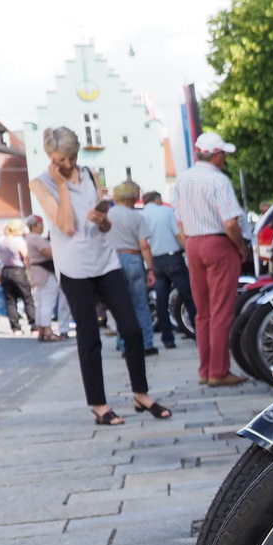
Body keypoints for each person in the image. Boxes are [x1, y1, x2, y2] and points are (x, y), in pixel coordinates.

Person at [29, 126, 169, 425]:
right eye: (60, 159)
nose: (67, 165)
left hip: (106, 261)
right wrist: (62, 186)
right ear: (50, 158)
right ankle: (99, 405)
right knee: (89, 336)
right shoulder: (41, 183)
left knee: (131, 329)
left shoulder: (91, 174)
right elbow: (66, 226)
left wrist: (103, 220)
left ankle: (141, 394)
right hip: (73, 268)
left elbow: (104, 227)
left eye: (70, 157)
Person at [174, 131, 249, 387]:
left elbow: (180, 221)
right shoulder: (218, 181)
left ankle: (205, 369)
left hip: (193, 244)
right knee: (221, 311)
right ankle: (218, 370)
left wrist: (188, 246)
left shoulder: (182, 180)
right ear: (216, 155)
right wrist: (240, 247)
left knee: (202, 312)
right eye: (223, 155)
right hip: (217, 243)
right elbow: (229, 222)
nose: (225, 160)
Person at [106, 180, 158, 356]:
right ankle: (146, 344)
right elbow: (144, 245)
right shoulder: (136, 216)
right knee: (141, 305)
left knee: (121, 306)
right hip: (133, 258)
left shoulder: (106, 215)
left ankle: (124, 344)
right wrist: (150, 268)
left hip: (113, 261)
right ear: (131, 199)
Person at [142, 190, 191, 349]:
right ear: (158, 199)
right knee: (187, 295)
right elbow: (178, 234)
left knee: (161, 302)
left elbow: (144, 242)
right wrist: (187, 251)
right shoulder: (166, 211)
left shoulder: (143, 215)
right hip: (172, 257)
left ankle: (167, 339)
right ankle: (197, 331)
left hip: (155, 260)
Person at [24, 213, 68, 341]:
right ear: (35, 225)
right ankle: (48, 330)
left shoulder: (29, 238)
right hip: (45, 271)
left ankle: (42, 330)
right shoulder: (36, 239)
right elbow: (48, 253)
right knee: (48, 302)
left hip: (38, 271)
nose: (42, 227)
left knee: (42, 302)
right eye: (41, 224)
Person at [0, 220, 35, 334]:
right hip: (17, 270)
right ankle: (34, 326)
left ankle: (15, 327)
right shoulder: (17, 241)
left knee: (10, 299)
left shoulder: (1, 242)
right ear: (15, 230)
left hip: (5, 270)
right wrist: (30, 271)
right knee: (27, 298)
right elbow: (25, 257)